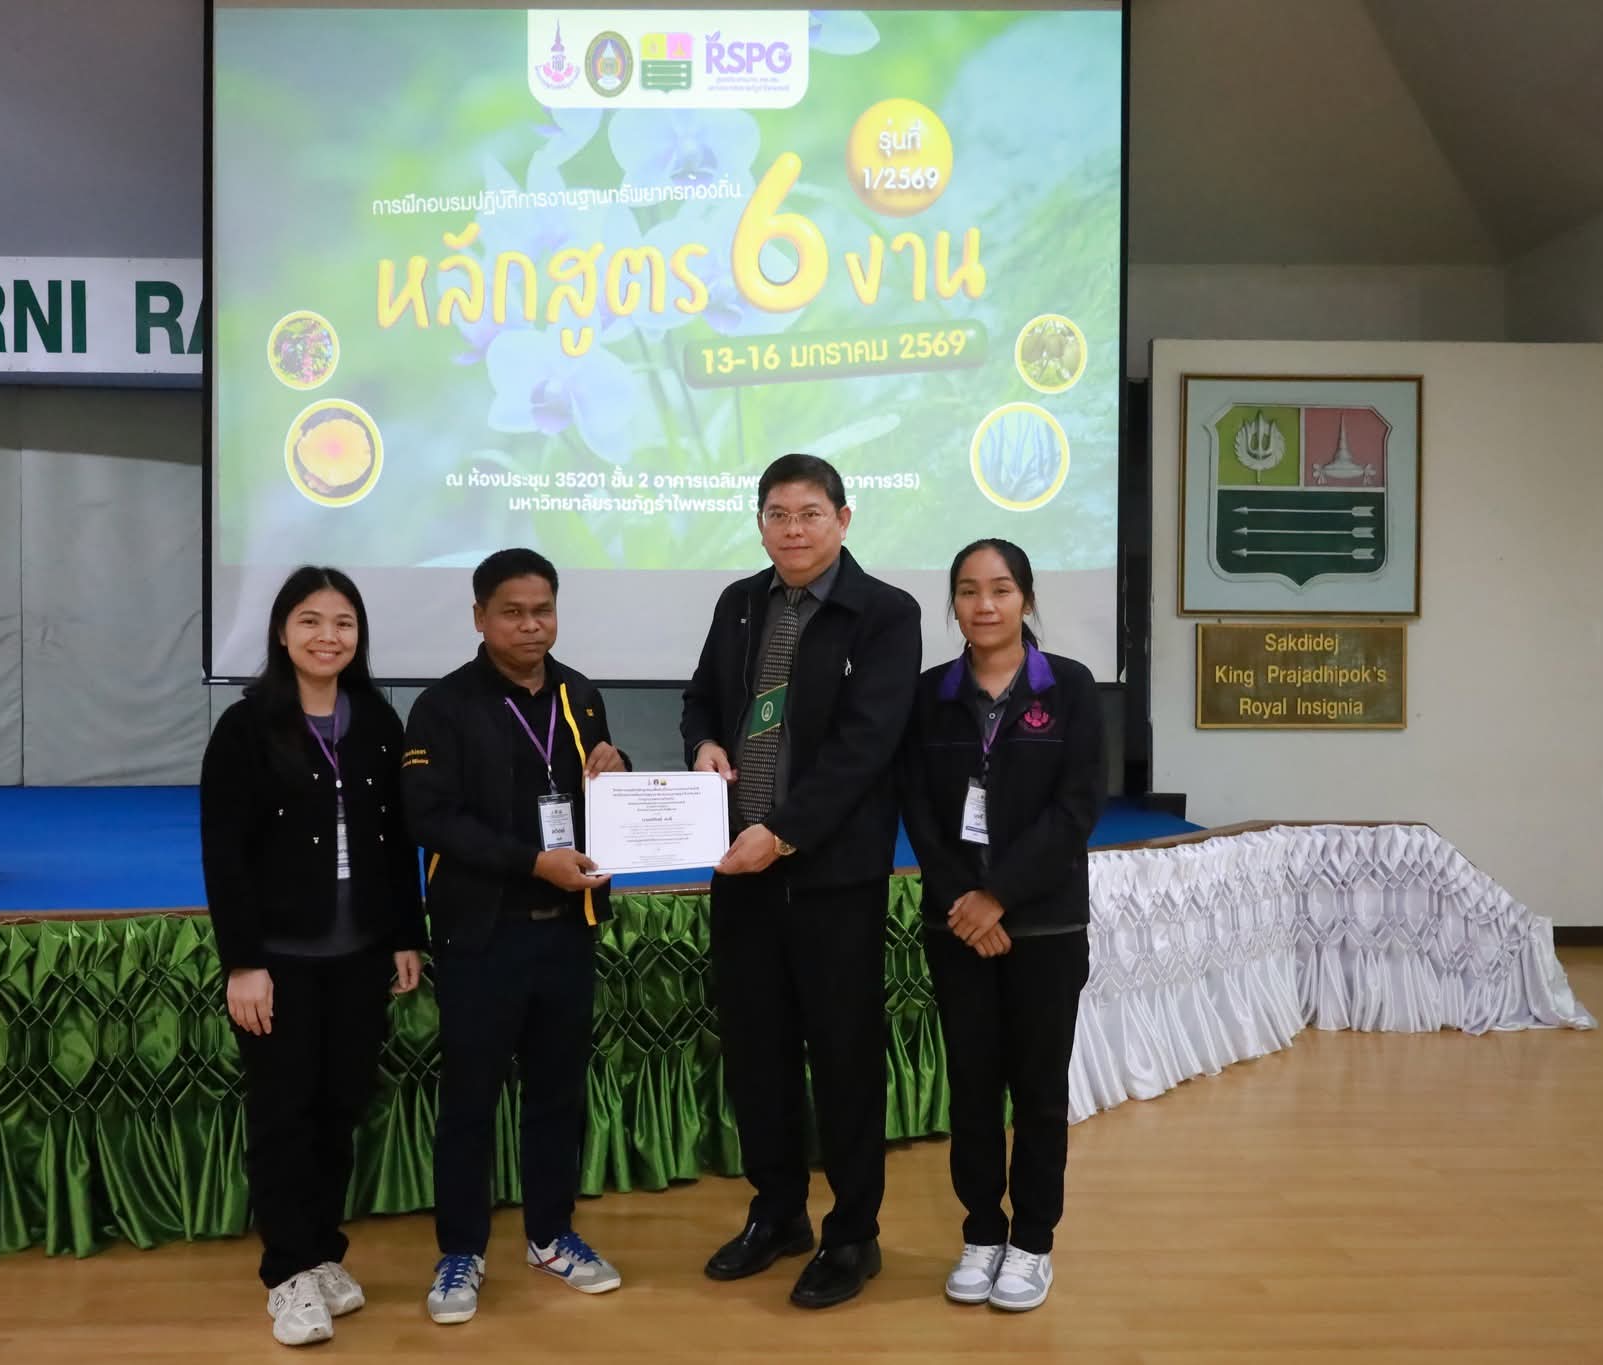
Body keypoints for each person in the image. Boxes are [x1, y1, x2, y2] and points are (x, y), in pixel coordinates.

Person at [681, 453, 921, 1309]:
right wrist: (703, 745)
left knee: (844, 1055)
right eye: (777, 514)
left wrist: (781, 833)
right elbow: (700, 699)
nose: (793, 529)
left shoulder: (885, 613)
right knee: (758, 1052)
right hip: (740, 870)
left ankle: (853, 1232)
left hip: (831, 875)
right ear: (759, 523)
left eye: (810, 513)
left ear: (843, 520)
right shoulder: (739, 603)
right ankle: (777, 1211)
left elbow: (867, 745)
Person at [199, 565, 427, 1347]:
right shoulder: (245, 727)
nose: (328, 636)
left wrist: (405, 933)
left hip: (359, 954)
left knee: (341, 1106)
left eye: (343, 623)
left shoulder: (378, 721)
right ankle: (288, 1272)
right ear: (282, 631)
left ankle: (324, 1250)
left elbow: (397, 842)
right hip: (280, 959)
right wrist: (243, 962)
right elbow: (225, 854)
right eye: (310, 620)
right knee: (284, 1114)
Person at [401, 548, 629, 1325]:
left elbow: (593, 797)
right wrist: (534, 862)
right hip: (481, 935)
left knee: (558, 1094)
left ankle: (550, 1233)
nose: (531, 625)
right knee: (471, 1098)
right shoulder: (442, 706)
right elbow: (432, 817)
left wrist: (617, 771)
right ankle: (461, 1249)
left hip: (568, 930)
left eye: (543, 610)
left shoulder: (581, 695)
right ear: (479, 617)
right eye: (512, 612)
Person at [898, 539, 1104, 1313]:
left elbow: (1076, 808)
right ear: (953, 602)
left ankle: (1033, 1241)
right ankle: (983, 1231)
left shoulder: (1071, 687)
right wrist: (965, 899)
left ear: (1026, 598)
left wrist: (1000, 896)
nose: (984, 604)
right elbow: (918, 806)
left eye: (1001, 589)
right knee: (974, 1088)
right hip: (958, 926)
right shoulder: (929, 695)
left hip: (1044, 927)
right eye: (968, 590)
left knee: (1040, 1092)